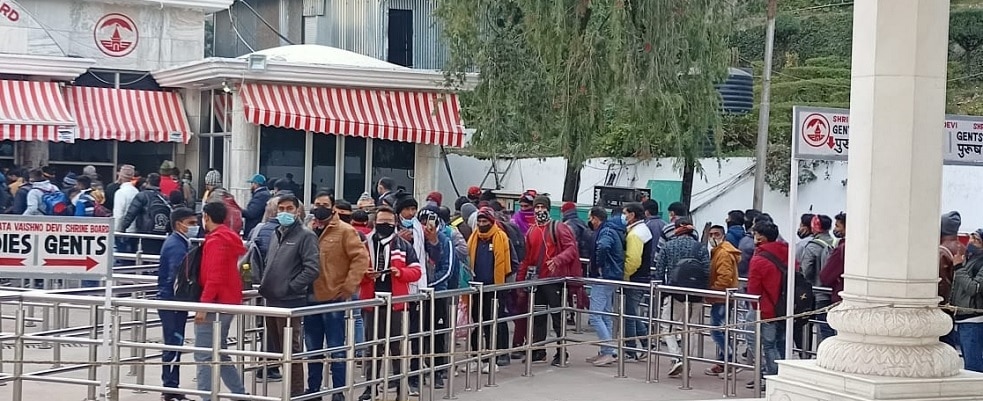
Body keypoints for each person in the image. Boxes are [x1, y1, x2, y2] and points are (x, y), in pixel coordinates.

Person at [307, 192, 370, 400]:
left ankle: (338, 392)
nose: (320, 208)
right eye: (317, 204)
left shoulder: (345, 231)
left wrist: (349, 286)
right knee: (312, 349)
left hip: (333, 298)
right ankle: (313, 390)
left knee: (337, 349)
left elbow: (360, 259)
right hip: (309, 299)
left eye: (324, 204)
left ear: (333, 207)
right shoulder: (308, 230)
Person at [258, 195, 321, 398]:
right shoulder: (277, 232)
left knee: (291, 349)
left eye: (289, 208)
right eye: (281, 208)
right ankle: (287, 388)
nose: (285, 212)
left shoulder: (305, 235)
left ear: (298, 211)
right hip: (271, 299)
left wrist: (290, 287)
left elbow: (312, 269)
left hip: (290, 302)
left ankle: (295, 393)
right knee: (277, 349)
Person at [358, 206, 423, 401]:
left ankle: (400, 389)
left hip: (396, 303)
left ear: (395, 223)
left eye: (388, 222)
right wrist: (366, 275)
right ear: (374, 222)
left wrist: (400, 273)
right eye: (381, 222)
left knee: (397, 348)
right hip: (372, 302)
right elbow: (353, 272)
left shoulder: (403, 245)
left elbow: (417, 271)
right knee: (372, 348)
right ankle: (370, 388)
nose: (384, 225)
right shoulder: (364, 243)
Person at [516, 195, 579, 366]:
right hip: (538, 281)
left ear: (548, 209)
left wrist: (557, 260)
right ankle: (539, 350)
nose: (539, 210)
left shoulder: (558, 227)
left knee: (558, 317)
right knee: (539, 316)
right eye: (537, 207)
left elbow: (571, 249)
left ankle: (561, 351)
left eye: (542, 207)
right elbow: (526, 259)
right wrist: (521, 282)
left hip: (555, 281)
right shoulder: (531, 231)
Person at [194, 202, 247, 401]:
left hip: (215, 302)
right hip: (227, 300)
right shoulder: (228, 237)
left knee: (204, 354)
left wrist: (203, 305)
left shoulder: (216, 240)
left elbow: (214, 275)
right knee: (220, 352)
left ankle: (206, 397)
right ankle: (239, 394)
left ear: (206, 216)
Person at [654, 215, 708, 377]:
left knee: (667, 326)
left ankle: (676, 356)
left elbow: (658, 269)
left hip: (675, 291)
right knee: (690, 328)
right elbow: (707, 271)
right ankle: (687, 362)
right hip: (696, 293)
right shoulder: (701, 247)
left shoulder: (669, 246)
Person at [157, 208, 198, 401]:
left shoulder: (180, 242)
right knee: (173, 344)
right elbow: (177, 275)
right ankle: (170, 388)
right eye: (190, 223)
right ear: (178, 224)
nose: (195, 227)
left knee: (175, 344)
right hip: (172, 303)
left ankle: (172, 387)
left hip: (172, 301)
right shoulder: (176, 245)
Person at [466, 207, 513, 372]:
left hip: (495, 288)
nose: (481, 224)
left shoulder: (501, 237)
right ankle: (477, 356)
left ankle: (498, 356)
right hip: (476, 289)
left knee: (494, 322)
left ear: (491, 222)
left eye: (485, 221)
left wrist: (501, 286)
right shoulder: (473, 238)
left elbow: (508, 264)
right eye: (479, 221)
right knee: (475, 323)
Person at [746, 221, 787, 389]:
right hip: (786, 305)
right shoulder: (787, 251)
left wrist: (756, 308)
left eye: (755, 234)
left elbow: (753, 288)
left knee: (766, 344)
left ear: (761, 237)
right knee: (780, 342)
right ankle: (782, 375)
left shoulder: (759, 259)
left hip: (767, 308)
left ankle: (772, 377)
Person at [585, 206, 625, 367]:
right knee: (605, 315)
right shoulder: (611, 230)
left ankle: (608, 351)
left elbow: (602, 247)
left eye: (590, 218)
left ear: (595, 218)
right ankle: (608, 350)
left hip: (603, 276)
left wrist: (599, 265)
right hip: (611, 276)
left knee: (595, 315)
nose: (589, 221)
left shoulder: (605, 232)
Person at [704, 225, 740, 376]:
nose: (713, 237)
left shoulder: (723, 253)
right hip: (721, 296)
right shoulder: (719, 251)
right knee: (721, 330)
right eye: (711, 234)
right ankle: (722, 362)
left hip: (721, 296)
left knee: (717, 330)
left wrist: (713, 290)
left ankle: (731, 360)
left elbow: (725, 277)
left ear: (723, 235)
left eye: (716, 234)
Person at [621, 202, 655, 361]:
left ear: (632, 215)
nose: (623, 216)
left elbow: (633, 260)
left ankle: (630, 350)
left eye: (625, 213)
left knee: (629, 315)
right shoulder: (642, 229)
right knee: (633, 314)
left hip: (635, 278)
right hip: (642, 277)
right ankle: (646, 344)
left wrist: (625, 276)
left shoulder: (635, 234)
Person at [951, 229, 983, 372]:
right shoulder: (968, 259)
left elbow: (972, 288)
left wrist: (958, 268)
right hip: (961, 318)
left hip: (973, 321)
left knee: (973, 366)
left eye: (977, 240)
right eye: (971, 237)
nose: (971, 241)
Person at [801, 214, 835, 344]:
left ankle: (819, 355)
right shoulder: (835, 243)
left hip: (818, 292)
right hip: (834, 291)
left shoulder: (812, 246)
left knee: (822, 327)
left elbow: (805, 270)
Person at [119, 173, 171, 255]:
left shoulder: (142, 196)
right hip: (161, 232)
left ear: (148, 182)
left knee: (144, 258)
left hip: (145, 232)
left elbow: (131, 213)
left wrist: (122, 229)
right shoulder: (164, 198)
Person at [940, 211, 966, 348]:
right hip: (960, 306)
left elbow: (942, 284)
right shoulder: (963, 248)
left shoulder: (942, 251)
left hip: (944, 307)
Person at [820, 213, 847, 308]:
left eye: (837, 226)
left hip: (841, 297)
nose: (835, 230)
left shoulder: (842, 249)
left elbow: (825, 276)